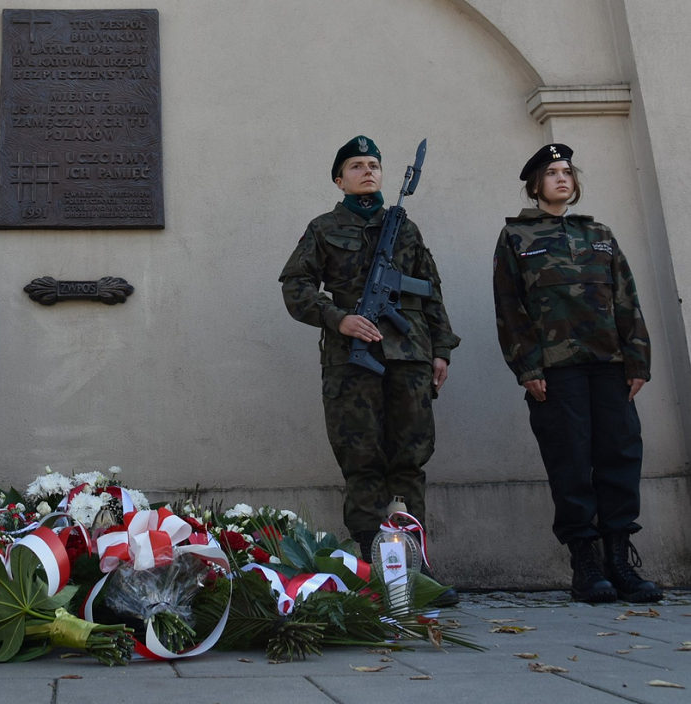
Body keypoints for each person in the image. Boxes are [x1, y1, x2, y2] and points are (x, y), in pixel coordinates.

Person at [279, 135, 460, 603]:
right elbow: (296, 287)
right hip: (352, 363)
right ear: (339, 179)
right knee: (363, 464)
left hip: (410, 358)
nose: (368, 171)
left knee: (410, 460)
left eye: (374, 164)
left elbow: (430, 291)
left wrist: (441, 348)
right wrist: (339, 318)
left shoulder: (405, 228)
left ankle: (413, 573)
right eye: (356, 165)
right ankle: (369, 571)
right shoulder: (322, 228)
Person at [493, 143, 662, 603]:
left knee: (620, 457)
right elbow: (510, 308)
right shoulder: (516, 238)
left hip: (609, 364)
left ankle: (620, 561)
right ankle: (585, 565)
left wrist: (637, 360)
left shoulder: (600, 234)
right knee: (570, 461)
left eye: (567, 171)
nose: (562, 178)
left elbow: (627, 299)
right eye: (552, 173)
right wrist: (526, 366)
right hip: (555, 369)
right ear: (535, 185)